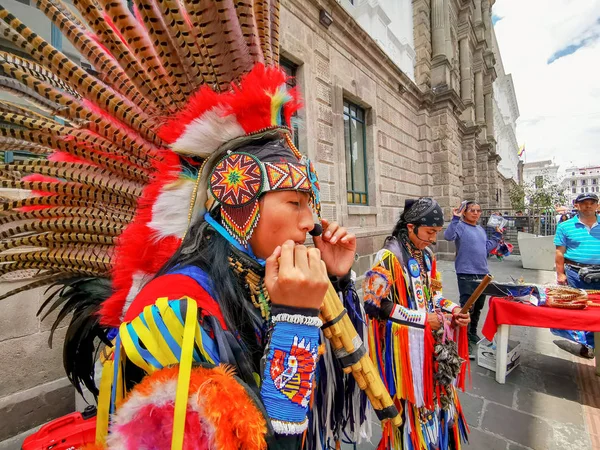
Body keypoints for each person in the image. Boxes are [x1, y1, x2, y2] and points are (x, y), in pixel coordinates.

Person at [0, 2, 372, 449]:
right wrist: (293, 319)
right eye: (294, 201)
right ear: (236, 203)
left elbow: (332, 378)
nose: (311, 221)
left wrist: (336, 278)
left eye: (309, 202)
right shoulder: (178, 311)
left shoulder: (256, 270)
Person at [363, 198, 471, 450]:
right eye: (429, 232)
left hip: (432, 344)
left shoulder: (427, 255)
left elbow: (433, 295)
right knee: (410, 408)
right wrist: (421, 319)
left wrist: (454, 310)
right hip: (405, 353)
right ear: (411, 227)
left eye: (436, 232)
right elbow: (374, 304)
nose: (433, 238)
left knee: (438, 400)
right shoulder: (388, 256)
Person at [444, 201, 503, 357]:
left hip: (483, 275)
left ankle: (472, 334)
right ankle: (463, 340)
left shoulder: (480, 229)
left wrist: (497, 236)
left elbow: (485, 248)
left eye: (478, 210)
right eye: (472, 210)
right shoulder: (460, 226)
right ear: (464, 212)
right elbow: (448, 236)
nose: (476, 213)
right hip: (466, 273)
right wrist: (455, 219)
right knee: (466, 309)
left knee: (478, 308)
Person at [553, 193, 600, 359]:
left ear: (597, 205)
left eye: (591, 203)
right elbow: (560, 252)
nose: (588, 206)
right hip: (576, 273)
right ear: (577, 205)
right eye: (584, 203)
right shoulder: (565, 226)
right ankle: (587, 345)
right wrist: (560, 274)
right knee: (581, 309)